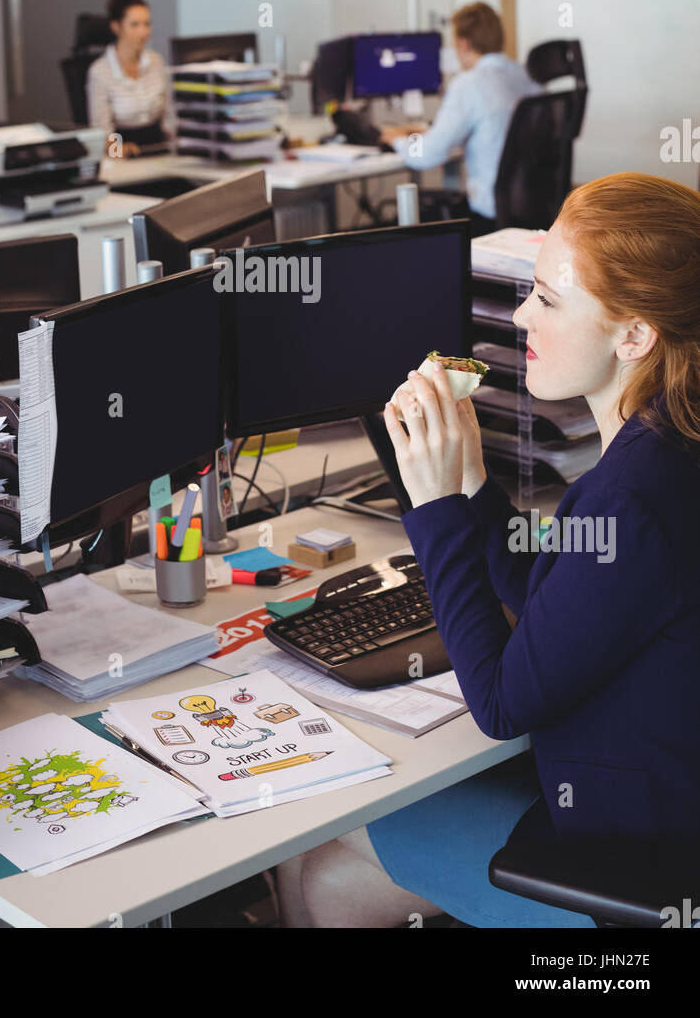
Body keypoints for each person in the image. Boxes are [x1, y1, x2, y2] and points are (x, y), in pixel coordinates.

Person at [278, 173, 700, 928]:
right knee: (336, 869)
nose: (520, 315)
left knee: (314, 855)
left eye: (547, 297)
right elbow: (552, 600)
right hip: (661, 819)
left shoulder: (629, 498)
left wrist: (434, 506)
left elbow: (502, 704)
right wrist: (471, 482)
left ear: (634, 334)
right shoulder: (665, 451)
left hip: (633, 870)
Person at [382, 2, 540, 236]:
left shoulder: (469, 84)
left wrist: (395, 139)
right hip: (535, 210)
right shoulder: (528, 76)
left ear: (463, 44)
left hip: (490, 218)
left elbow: (426, 154)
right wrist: (430, 129)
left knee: (397, 224)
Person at [85, 0, 170, 158]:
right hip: (122, 156)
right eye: (135, 25)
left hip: (158, 150)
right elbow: (102, 133)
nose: (143, 32)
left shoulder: (156, 61)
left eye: (147, 24)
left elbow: (169, 115)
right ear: (116, 27)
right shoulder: (100, 71)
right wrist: (118, 150)